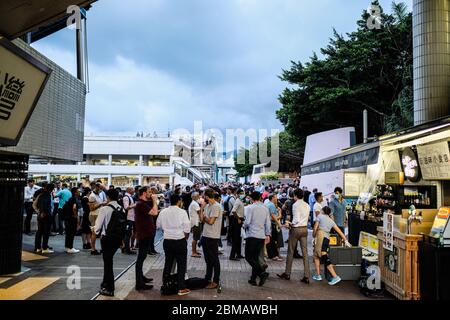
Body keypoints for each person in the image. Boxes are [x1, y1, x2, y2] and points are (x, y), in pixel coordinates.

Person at [157, 194, 191, 296]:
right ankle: (181, 287)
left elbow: (158, 226)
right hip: (179, 240)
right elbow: (187, 228)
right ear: (179, 201)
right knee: (181, 264)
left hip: (167, 241)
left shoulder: (163, 212)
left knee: (168, 263)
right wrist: (184, 237)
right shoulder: (182, 212)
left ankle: (166, 285)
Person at [277, 189, 311, 283]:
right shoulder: (307, 205)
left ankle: (287, 273)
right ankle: (306, 276)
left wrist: (289, 223)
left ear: (295, 195)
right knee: (305, 253)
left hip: (296, 229)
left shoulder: (295, 205)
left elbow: (296, 219)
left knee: (290, 251)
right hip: (304, 229)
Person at [312, 206, 351, 286]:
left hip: (320, 236)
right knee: (316, 255)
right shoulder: (331, 221)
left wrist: (314, 235)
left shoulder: (319, 216)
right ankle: (318, 275)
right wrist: (345, 240)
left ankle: (335, 276)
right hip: (327, 238)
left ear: (322, 211)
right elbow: (339, 232)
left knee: (323, 256)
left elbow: (315, 227)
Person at [95, 189, 123, 297]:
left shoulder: (105, 209)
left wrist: (94, 230)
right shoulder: (121, 209)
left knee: (108, 263)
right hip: (117, 239)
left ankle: (109, 288)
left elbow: (97, 228)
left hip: (106, 239)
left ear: (107, 197)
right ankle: (105, 283)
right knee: (109, 261)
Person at [244, 191, 271, 287]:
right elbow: (268, 223)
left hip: (252, 235)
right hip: (261, 235)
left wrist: (244, 225)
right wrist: (268, 234)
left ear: (251, 198)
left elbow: (247, 222)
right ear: (260, 198)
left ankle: (261, 273)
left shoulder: (250, 208)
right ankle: (253, 279)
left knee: (248, 257)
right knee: (255, 258)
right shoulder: (265, 208)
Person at [134, 186, 158, 290]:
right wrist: (155, 201)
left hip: (146, 234)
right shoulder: (140, 204)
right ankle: (139, 283)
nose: (150, 193)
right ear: (144, 193)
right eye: (148, 192)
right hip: (144, 235)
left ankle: (141, 277)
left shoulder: (142, 204)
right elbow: (154, 212)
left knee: (142, 257)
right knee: (140, 258)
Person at [199, 188, 223, 289]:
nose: (202, 198)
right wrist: (201, 209)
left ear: (207, 197)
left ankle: (216, 280)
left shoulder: (217, 206)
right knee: (208, 259)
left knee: (214, 259)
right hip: (205, 235)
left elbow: (211, 221)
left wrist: (205, 217)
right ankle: (207, 278)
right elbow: (201, 220)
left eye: (204, 196)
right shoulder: (208, 206)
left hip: (213, 236)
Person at [34, 183, 54, 254]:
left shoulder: (41, 194)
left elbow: (36, 203)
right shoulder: (47, 195)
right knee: (46, 233)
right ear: (52, 189)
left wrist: (40, 212)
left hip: (40, 215)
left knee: (39, 231)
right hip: (46, 216)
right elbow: (44, 204)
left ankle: (38, 248)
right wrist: (43, 212)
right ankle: (44, 248)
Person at [89, 182, 107, 255]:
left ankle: (102, 248)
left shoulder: (98, 194)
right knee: (94, 232)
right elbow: (91, 208)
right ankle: (93, 249)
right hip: (94, 215)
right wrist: (101, 204)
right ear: (97, 187)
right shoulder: (92, 196)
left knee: (101, 232)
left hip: (99, 215)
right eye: (101, 188)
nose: (101, 190)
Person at [265, 194, 283, 261]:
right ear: (272, 198)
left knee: (270, 240)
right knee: (273, 241)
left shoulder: (268, 204)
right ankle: (273, 255)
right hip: (272, 224)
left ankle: (271, 255)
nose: (277, 198)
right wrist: (279, 223)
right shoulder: (272, 205)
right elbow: (273, 216)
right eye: (275, 197)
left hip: (268, 224)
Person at [63, 187, 81, 254]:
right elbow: (74, 208)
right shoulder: (74, 199)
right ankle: (70, 248)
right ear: (75, 192)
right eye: (78, 191)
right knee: (71, 233)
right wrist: (75, 215)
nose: (79, 192)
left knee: (68, 233)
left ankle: (67, 247)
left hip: (68, 218)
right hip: (72, 218)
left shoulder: (70, 199)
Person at [229, 188, 245, 260]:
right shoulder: (237, 201)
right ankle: (232, 256)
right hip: (236, 221)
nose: (242, 194)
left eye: (243, 193)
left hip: (240, 220)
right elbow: (233, 211)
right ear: (238, 194)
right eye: (241, 193)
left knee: (239, 238)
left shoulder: (240, 201)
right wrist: (238, 218)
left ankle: (238, 254)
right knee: (236, 239)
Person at [122, 187, 137, 255]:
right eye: (132, 189)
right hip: (128, 218)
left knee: (129, 233)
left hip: (131, 217)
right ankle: (126, 249)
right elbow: (126, 207)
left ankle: (127, 248)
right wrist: (134, 205)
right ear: (129, 190)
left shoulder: (130, 197)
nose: (134, 190)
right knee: (127, 234)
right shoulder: (126, 197)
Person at [189, 192, 202, 258]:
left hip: (194, 222)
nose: (198, 197)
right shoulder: (194, 204)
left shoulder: (194, 203)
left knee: (196, 238)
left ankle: (195, 251)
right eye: (197, 196)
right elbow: (199, 212)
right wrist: (201, 219)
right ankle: (193, 252)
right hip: (196, 222)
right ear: (193, 197)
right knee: (195, 238)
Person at [147, 186, 160, 256]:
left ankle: (152, 248)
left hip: (154, 218)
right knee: (151, 235)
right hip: (152, 218)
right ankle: (149, 249)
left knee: (153, 234)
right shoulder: (150, 198)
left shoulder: (153, 197)